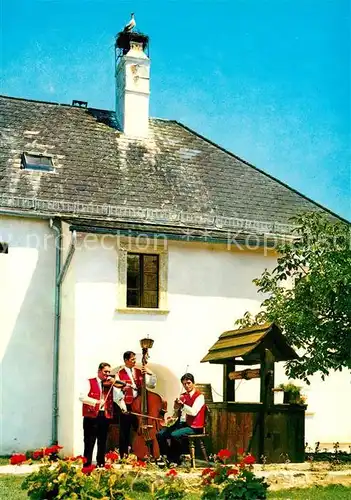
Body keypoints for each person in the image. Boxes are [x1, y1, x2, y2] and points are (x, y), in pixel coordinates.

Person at [79, 362, 127, 467]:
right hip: (91, 417)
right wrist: (96, 402)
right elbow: (82, 397)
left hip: (104, 416)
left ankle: (100, 464)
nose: (108, 374)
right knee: (89, 442)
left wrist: (123, 392)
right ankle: (86, 466)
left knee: (102, 442)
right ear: (99, 371)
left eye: (109, 372)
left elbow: (117, 398)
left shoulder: (109, 384)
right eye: (106, 371)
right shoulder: (89, 382)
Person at [156, 373, 205, 466]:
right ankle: (165, 456)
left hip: (194, 426)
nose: (186, 386)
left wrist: (182, 405)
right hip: (181, 423)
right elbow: (176, 412)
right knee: (160, 434)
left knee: (174, 434)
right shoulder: (182, 396)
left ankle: (175, 459)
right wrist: (175, 407)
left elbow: (193, 412)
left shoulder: (199, 396)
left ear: (193, 383)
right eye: (184, 384)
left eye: (188, 383)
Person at [118, 350, 157, 457]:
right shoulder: (119, 374)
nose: (135, 361)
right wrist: (123, 406)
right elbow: (117, 393)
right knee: (124, 432)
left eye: (135, 359)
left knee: (140, 430)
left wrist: (151, 373)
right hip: (127, 405)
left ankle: (141, 453)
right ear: (126, 360)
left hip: (139, 406)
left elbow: (152, 385)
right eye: (132, 359)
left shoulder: (140, 371)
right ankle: (123, 455)